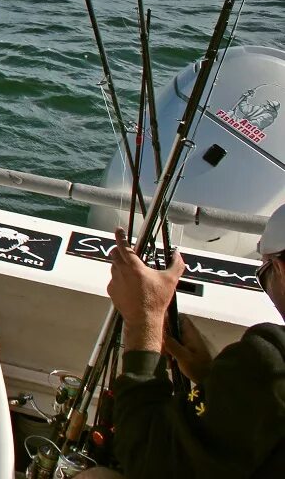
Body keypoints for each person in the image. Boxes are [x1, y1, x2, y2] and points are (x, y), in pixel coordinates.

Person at [106, 204, 285, 478]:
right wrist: (214, 378)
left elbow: (146, 457)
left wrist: (144, 319)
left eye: (265, 274)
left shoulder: (270, 360)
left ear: (281, 269)